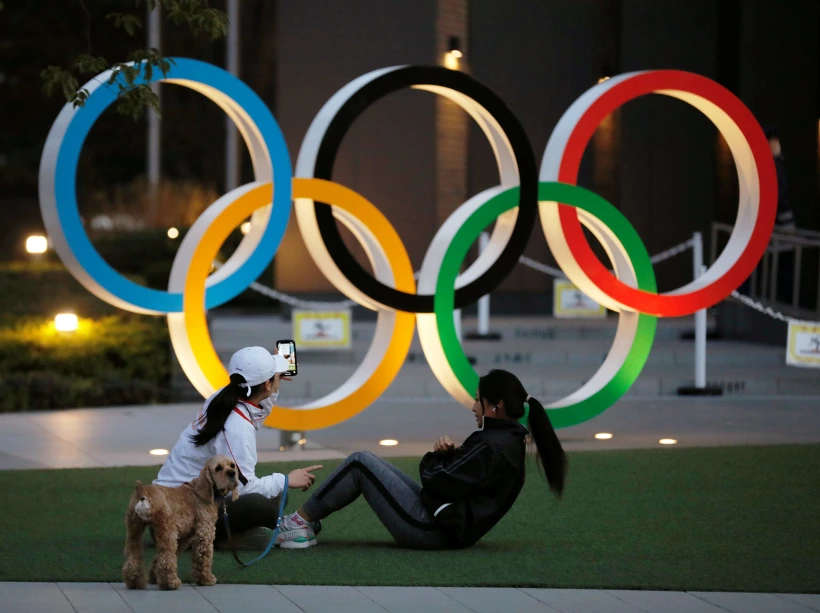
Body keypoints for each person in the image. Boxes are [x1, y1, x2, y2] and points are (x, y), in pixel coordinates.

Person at [274, 369, 568, 550]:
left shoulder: (492, 444)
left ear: (496, 406)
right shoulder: (509, 440)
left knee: (360, 462)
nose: (474, 406)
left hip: (432, 529)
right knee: (366, 462)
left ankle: (298, 524)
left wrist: (436, 457)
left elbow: (437, 481)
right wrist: (450, 456)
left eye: (478, 399)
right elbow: (459, 480)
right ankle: (304, 523)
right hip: (448, 527)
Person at [154, 346, 323, 541]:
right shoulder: (237, 428)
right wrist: (286, 480)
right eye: (274, 376)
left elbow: (256, 412)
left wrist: (272, 386)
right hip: (176, 518)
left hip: (170, 505)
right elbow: (242, 488)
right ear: (266, 384)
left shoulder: (223, 398)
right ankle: (213, 538)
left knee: (274, 496)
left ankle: (233, 535)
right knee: (263, 505)